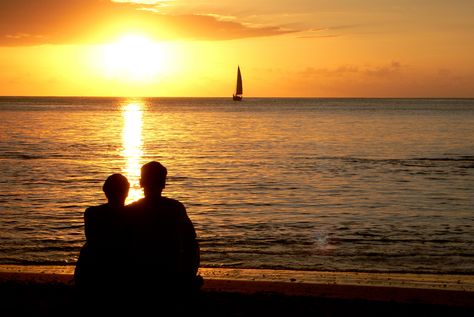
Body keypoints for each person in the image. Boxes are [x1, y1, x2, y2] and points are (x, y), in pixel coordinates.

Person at [124, 161, 202, 311]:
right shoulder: (176, 208)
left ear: (141, 183)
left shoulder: (131, 210)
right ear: (164, 184)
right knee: (193, 245)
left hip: (140, 274)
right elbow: (190, 239)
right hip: (169, 273)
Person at [74, 173, 130, 302]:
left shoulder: (91, 213)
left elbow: (91, 240)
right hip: (116, 268)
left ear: (105, 191)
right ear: (127, 191)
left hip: (91, 267)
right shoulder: (132, 214)